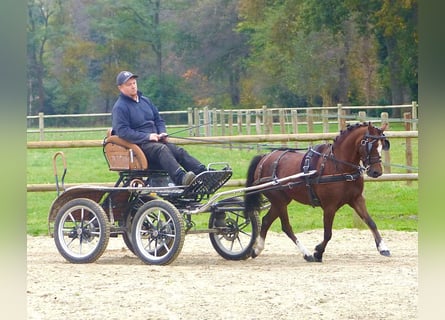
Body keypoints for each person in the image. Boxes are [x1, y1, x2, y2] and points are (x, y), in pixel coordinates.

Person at [111, 71, 206, 186]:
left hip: (155, 141)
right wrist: (148, 136)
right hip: (139, 146)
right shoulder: (120, 107)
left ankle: (203, 173)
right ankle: (181, 179)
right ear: (120, 88)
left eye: (134, 83)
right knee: (162, 149)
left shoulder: (146, 101)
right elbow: (123, 131)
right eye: (128, 84)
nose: (133, 86)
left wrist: (162, 133)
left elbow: (158, 119)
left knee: (178, 151)